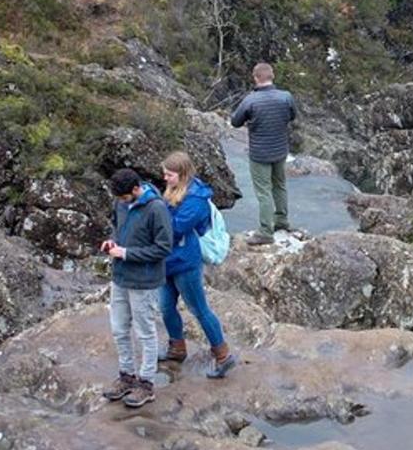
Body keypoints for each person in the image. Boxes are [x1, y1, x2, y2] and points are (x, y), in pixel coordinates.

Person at [157, 151, 238, 378]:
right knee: (165, 306)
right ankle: (177, 347)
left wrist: (153, 222)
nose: (165, 178)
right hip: (167, 261)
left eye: (169, 174)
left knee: (199, 309)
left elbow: (174, 230)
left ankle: (223, 355)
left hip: (184, 262)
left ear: (182, 174)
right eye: (164, 174)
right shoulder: (173, 190)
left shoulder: (196, 200)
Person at [102, 169, 173, 409]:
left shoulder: (156, 209)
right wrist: (112, 242)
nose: (121, 202)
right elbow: (116, 227)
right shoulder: (120, 202)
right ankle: (126, 376)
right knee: (119, 328)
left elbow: (163, 248)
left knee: (145, 332)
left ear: (135, 189)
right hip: (120, 277)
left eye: (123, 198)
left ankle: (146, 383)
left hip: (144, 281)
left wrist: (126, 253)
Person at [231, 62, 298, 246]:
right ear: (272, 76)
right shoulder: (286, 97)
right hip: (280, 150)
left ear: (255, 78)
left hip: (260, 153)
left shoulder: (250, 100)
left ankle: (265, 232)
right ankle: (282, 221)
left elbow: (235, 122)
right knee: (280, 185)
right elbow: (293, 116)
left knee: (263, 192)